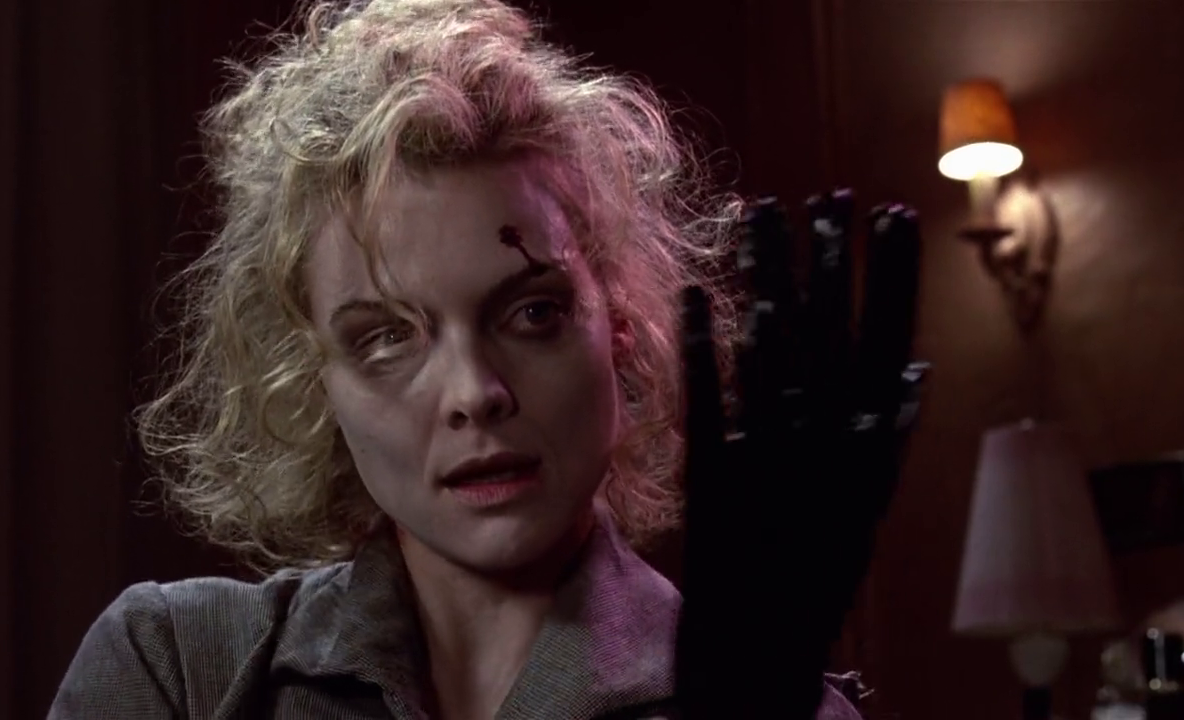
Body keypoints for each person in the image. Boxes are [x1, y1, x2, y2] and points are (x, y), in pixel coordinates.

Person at [50, 0, 866, 717]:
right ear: (312, 379)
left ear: (619, 324)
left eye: (533, 314)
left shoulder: (768, 704)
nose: (475, 393)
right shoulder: (178, 670)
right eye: (386, 336)